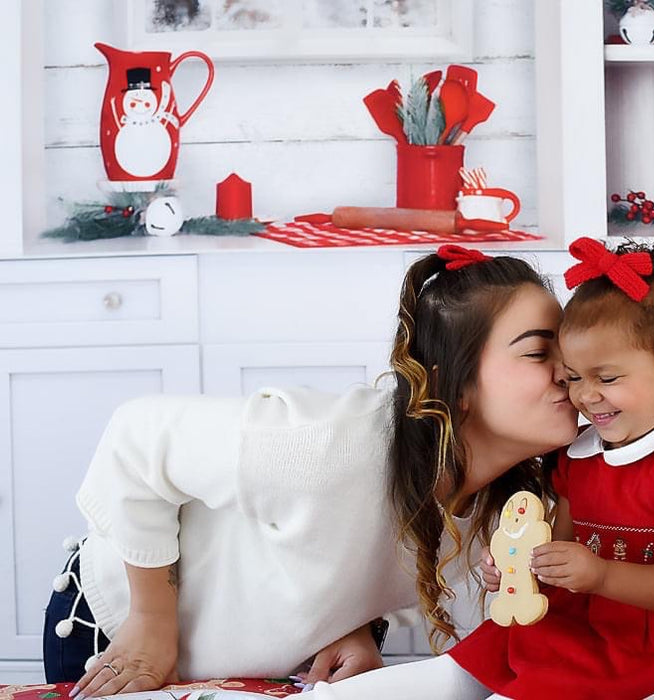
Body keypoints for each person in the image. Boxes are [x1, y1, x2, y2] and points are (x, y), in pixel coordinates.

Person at [43, 244, 580, 698]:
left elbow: (350, 548)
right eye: (538, 352)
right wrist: (151, 622)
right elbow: (137, 436)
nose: (569, 370)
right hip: (110, 632)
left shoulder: (506, 509)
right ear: (455, 385)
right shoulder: (328, 443)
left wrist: (356, 624)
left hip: (247, 669)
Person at [309, 237, 654, 700]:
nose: (583, 395)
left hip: (640, 647)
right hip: (570, 623)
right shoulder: (578, 454)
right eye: (575, 375)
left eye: (607, 378)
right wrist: (525, 567)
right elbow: (561, 546)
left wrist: (601, 576)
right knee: (458, 670)